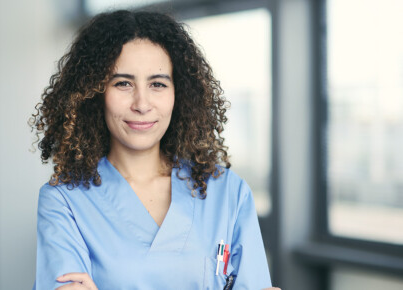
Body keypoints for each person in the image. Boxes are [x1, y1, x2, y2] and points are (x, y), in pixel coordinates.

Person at [30, 9, 279, 290]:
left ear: (178, 94)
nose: (142, 103)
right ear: (95, 93)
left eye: (158, 84)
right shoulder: (64, 202)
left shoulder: (229, 194)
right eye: (123, 83)